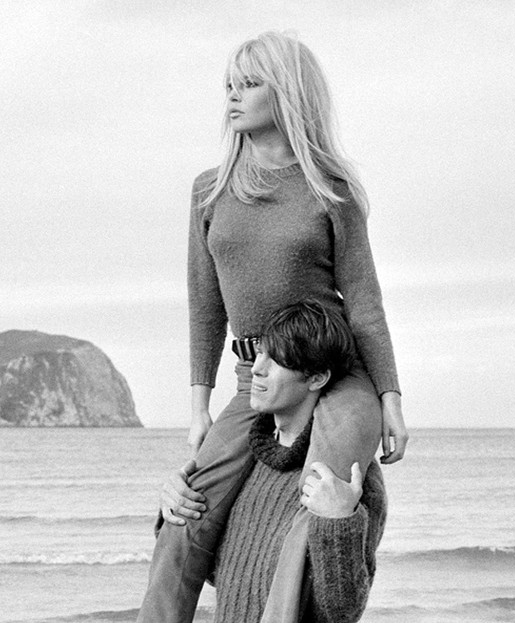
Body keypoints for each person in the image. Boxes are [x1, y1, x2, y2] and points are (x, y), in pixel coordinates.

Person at [137, 31, 406, 622]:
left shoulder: (330, 189)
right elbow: (204, 304)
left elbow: (364, 303)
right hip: (254, 378)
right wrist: (198, 407)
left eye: (249, 83)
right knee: (184, 515)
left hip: (336, 375)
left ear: (285, 92)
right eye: (229, 85)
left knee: (316, 508)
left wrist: (389, 399)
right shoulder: (209, 190)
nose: (232, 96)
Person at [162, 300, 386, 623]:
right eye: (259, 353)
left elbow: (342, 612)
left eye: (277, 360)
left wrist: (338, 521)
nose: (256, 368)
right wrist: (176, 504)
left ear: (316, 378)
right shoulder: (239, 462)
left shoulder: (347, 478)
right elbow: (220, 574)